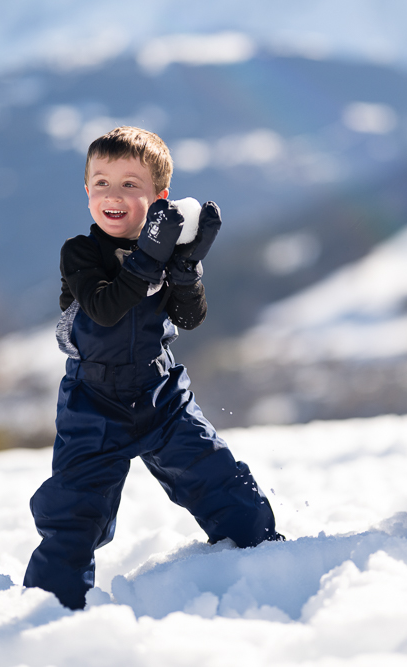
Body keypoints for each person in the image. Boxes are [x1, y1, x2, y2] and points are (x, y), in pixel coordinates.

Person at [24, 126, 280, 609]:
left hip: (161, 393)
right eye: (101, 183)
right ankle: (48, 612)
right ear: (86, 193)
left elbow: (190, 317)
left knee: (222, 483)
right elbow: (103, 308)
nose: (113, 196)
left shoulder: (165, 250)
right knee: (76, 513)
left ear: (159, 199)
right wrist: (148, 261)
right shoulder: (79, 253)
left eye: (129, 185)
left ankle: (269, 563)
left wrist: (186, 271)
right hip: (93, 404)